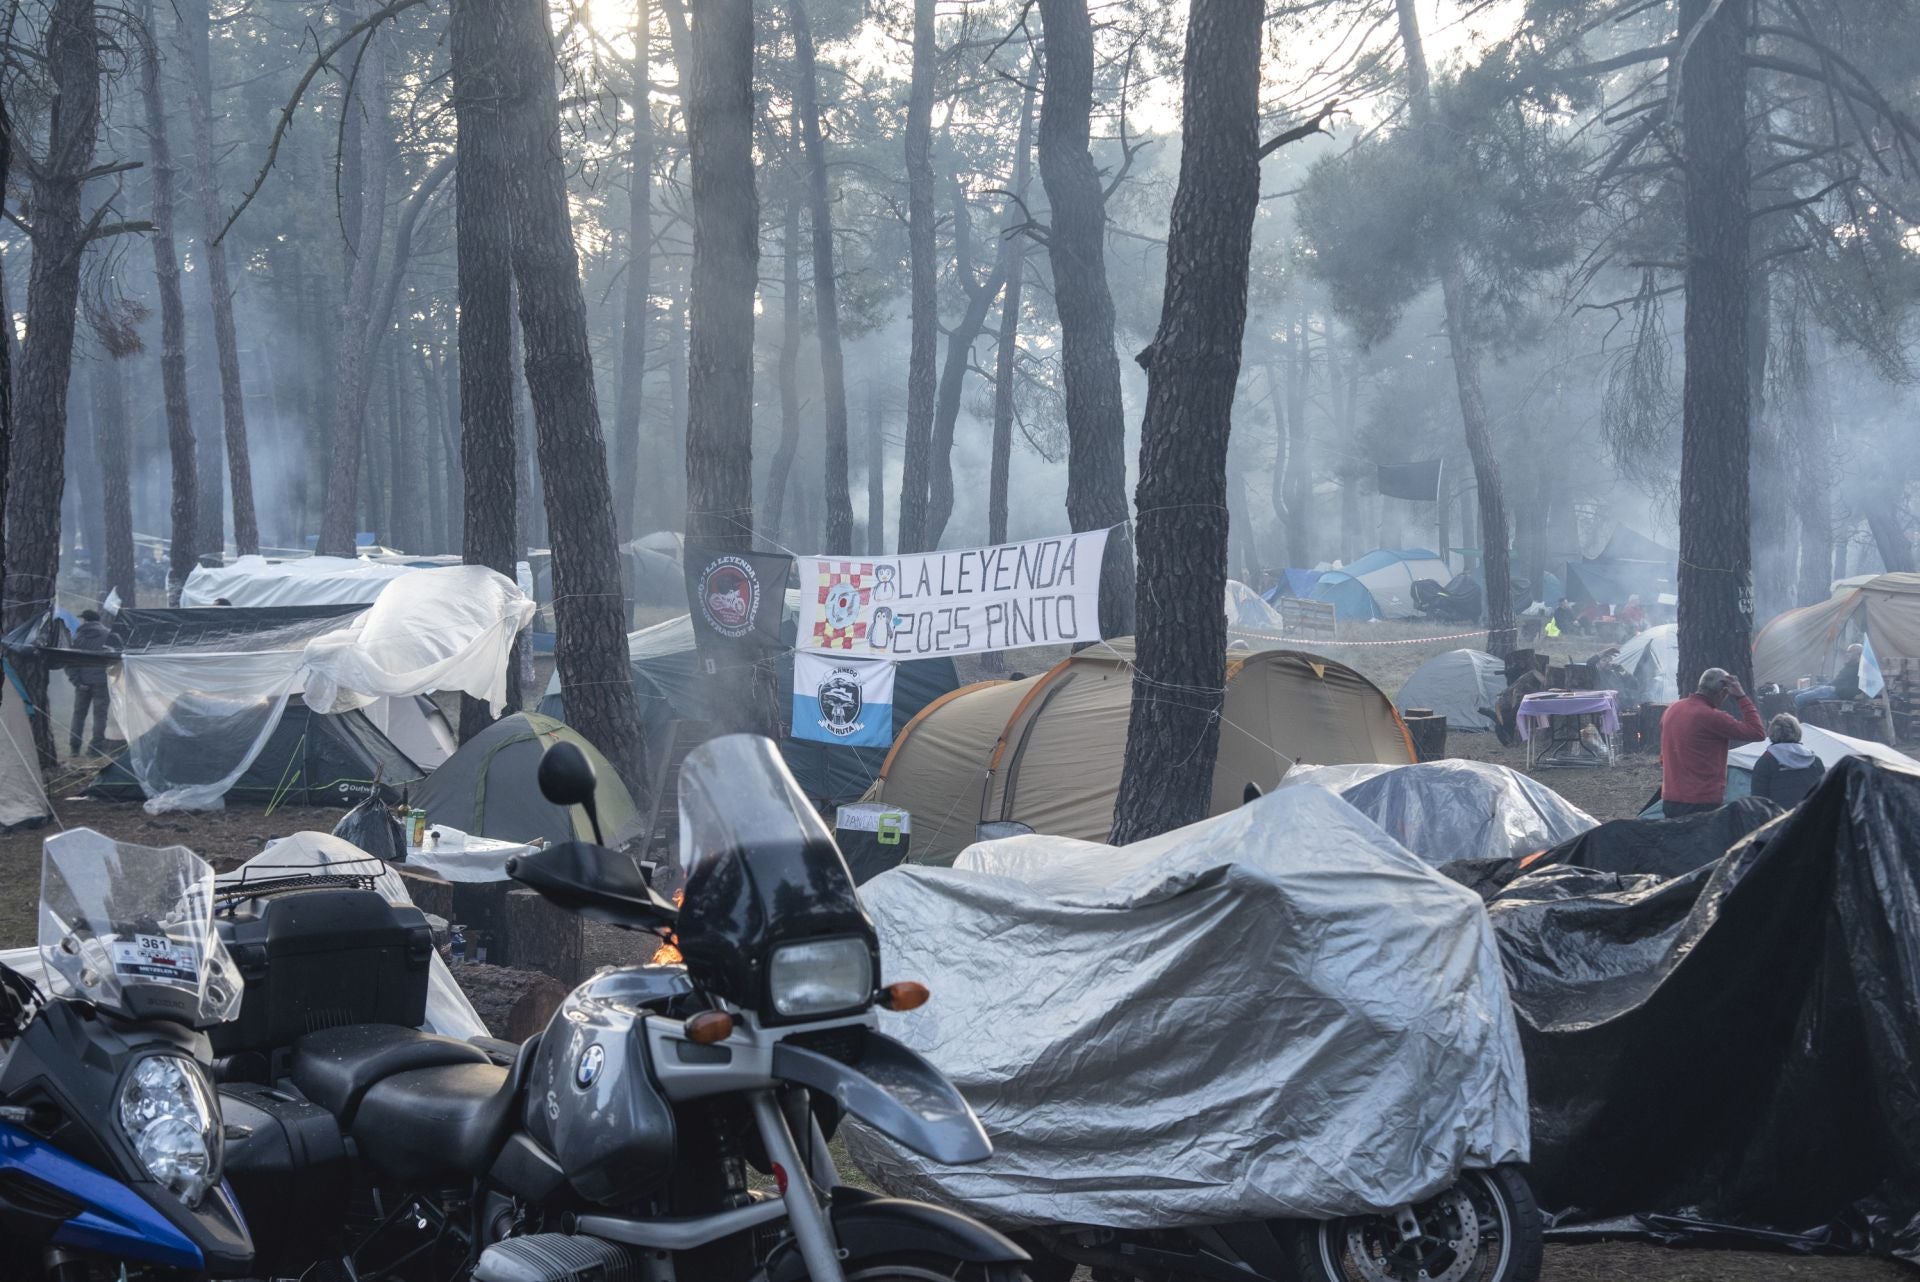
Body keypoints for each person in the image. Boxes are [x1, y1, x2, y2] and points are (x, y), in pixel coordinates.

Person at [1660, 667, 1765, 817]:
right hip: (1701, 801)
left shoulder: (1672, 709)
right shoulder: (1711, 717)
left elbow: (1664, 757)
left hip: (1670, 799)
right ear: (1723, 692)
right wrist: (1741, 697)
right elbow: (1757, 732)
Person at [1750, 713, 1825, 809]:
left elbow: (1758, 801)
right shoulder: (1814, 761)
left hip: (1779, 820)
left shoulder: (1765, 762)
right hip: (1809, 817)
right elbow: (1825, 794)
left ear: (1772, 732)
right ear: (1797, 731)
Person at [67, 608, 113, 758]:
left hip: (82, 683)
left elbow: (70, 661)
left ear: (85, 620)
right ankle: (95, 749)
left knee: (78, 715)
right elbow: (114, 659)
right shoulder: (108, 635)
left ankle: (74, 749)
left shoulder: (78, 636)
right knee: (100, 716)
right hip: (102, 682)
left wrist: (77, 681)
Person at [1794, 643, 1863, 711]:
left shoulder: (1860, 670)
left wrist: (1837, 689)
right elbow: (1838, 681)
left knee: (1799, 698)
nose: (1847, 654)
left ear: (1859, 654)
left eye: (1850, 652)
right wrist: (1828, 684)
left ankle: (1794, 720)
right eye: (1847, 652)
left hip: (1837, 693)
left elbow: (1857, 688)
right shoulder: (1849, 666)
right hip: (1829, 687)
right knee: (1792, 693)